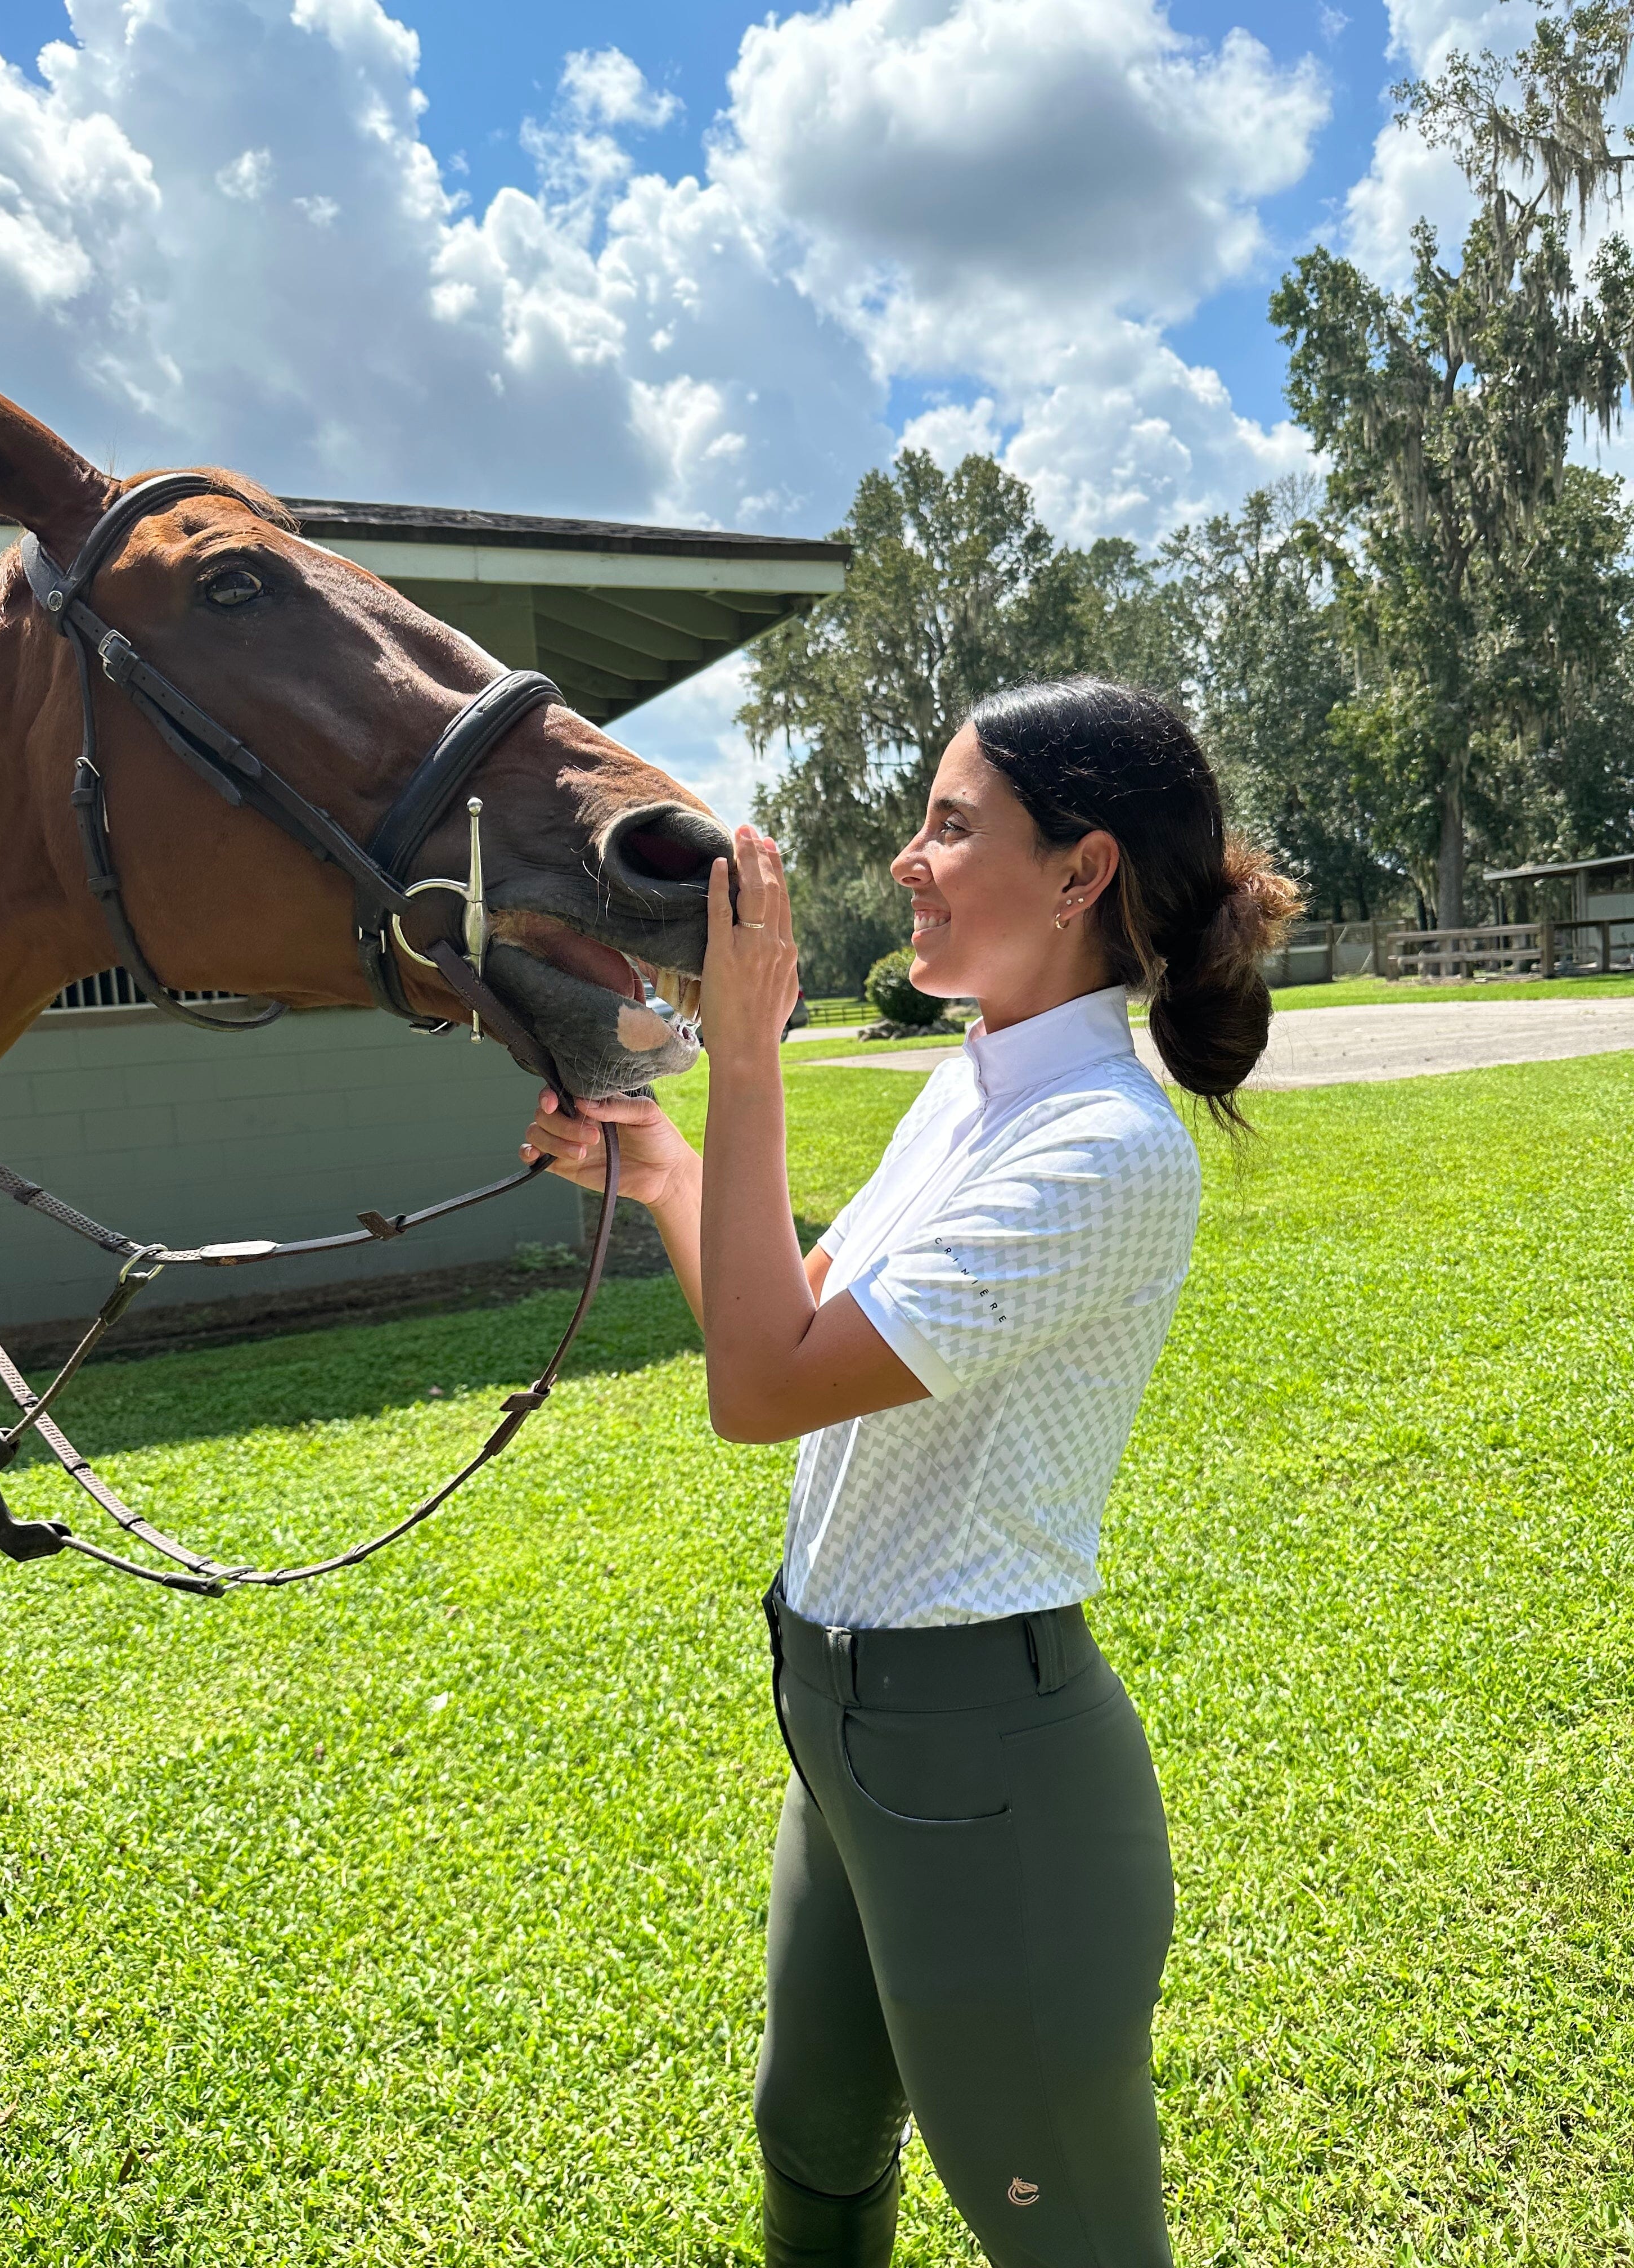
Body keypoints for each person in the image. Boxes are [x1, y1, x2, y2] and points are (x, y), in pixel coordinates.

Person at [520, 678, 1298, 2267]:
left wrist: (747, 1065)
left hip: (984, 1770)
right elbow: (797, 1319)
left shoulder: (1102, 1147)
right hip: (846, 1725)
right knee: (812, 2147)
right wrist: (667, 1164)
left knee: (1062, 2230)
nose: (906, 859)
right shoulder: (980, 1085)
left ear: (1080, 874)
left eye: (951, 824)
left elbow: (759, 1390)